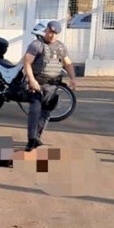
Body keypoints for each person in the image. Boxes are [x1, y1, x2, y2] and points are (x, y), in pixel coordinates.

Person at [21, 20, 77, 151]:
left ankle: (37, 137)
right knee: (35, 112)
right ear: (46, 30)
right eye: (50, 32)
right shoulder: (36, 45)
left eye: (55, 33)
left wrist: (73, 78)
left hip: (52, 88)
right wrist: (31, 79)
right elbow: (27, 62)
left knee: (45, 114)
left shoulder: (61, 47)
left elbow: (68, 63)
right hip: (37, 86)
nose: (52, 35)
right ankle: (31, 140)